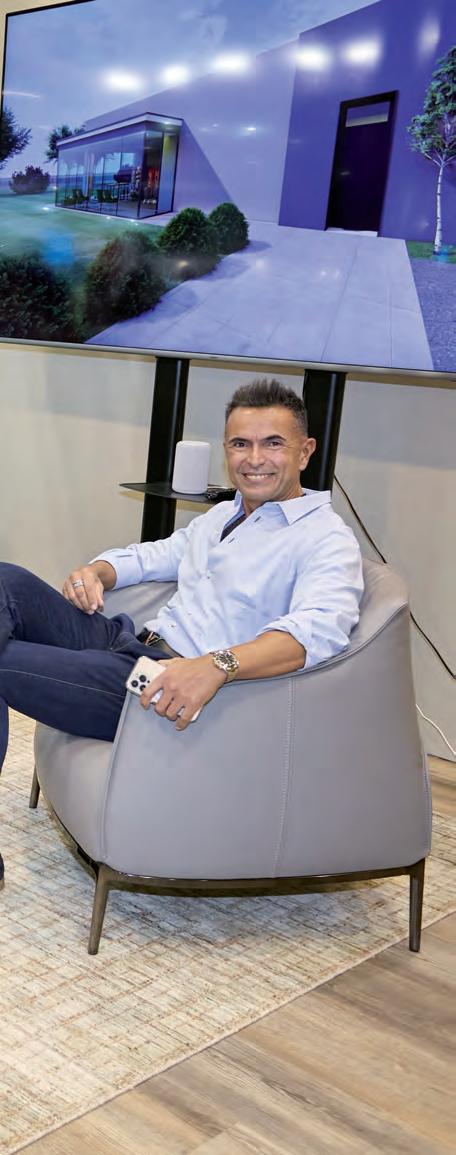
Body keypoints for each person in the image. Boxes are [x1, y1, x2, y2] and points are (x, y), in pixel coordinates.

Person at [0, 380, 364, 880]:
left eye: (273, 443)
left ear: (305, 452)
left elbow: (314, 634)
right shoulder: (224, 516)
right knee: (6, 580)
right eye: (240, 443)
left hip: (164, 684)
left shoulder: (325, 540)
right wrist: (97, 572)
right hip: (127, 644)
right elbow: (153, 556)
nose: (254, 459)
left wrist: (217, 666)